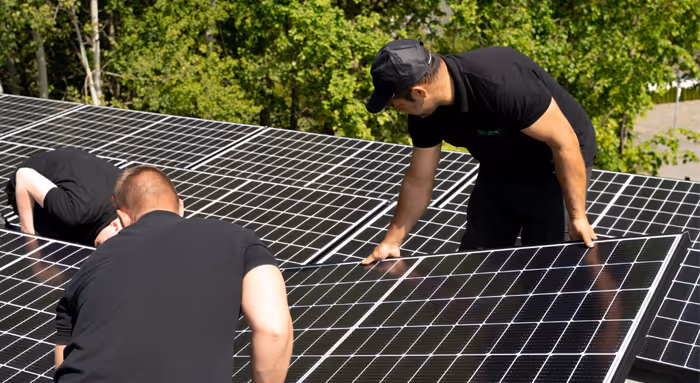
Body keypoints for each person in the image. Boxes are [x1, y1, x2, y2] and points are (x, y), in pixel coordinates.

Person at [362, 39, 598, 265]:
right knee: (476, 261)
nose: (398, 111)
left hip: (553, 164)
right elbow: (418, 181)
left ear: (419, 92)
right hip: (499, 164)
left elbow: (564, 143)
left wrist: (578, 217)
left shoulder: (500, 84)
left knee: (545, 264)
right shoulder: (423, 113)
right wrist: (391, 241)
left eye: (397, 105)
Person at [53, 165, 293, 383]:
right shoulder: (237, 240)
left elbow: (63, 361)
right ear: (181, 205)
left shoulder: (86, 269)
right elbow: (274, 330)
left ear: (123, 216)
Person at [4, 147, 122, 247]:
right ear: (115, 226)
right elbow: (24, 176)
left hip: (76, 171)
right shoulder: (77, 212)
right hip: (26, 183)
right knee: (69, 231)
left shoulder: (131, 196)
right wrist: (30, 241)